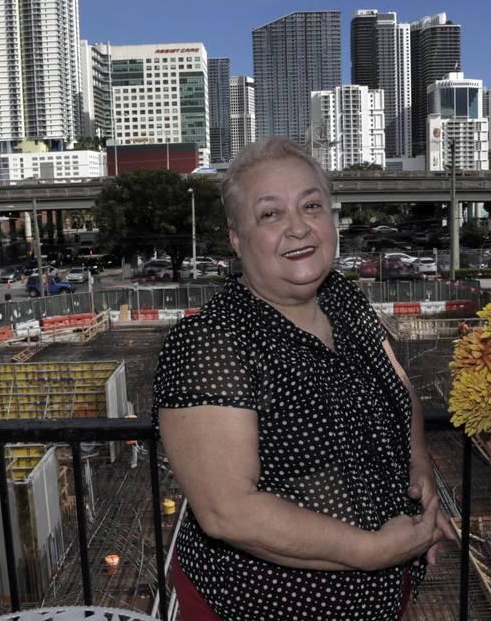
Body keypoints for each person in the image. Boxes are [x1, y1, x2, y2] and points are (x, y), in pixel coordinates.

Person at [154, 138, 453, 620]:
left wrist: (417, 469)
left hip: (379, 595)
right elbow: (228, 511)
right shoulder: (211, 341)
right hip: (262, 606)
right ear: (236, 236)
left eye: (311, 205)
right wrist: (372, 551)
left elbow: (399, 388)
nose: (298, 227)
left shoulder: (344, 301)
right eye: (270, 214)